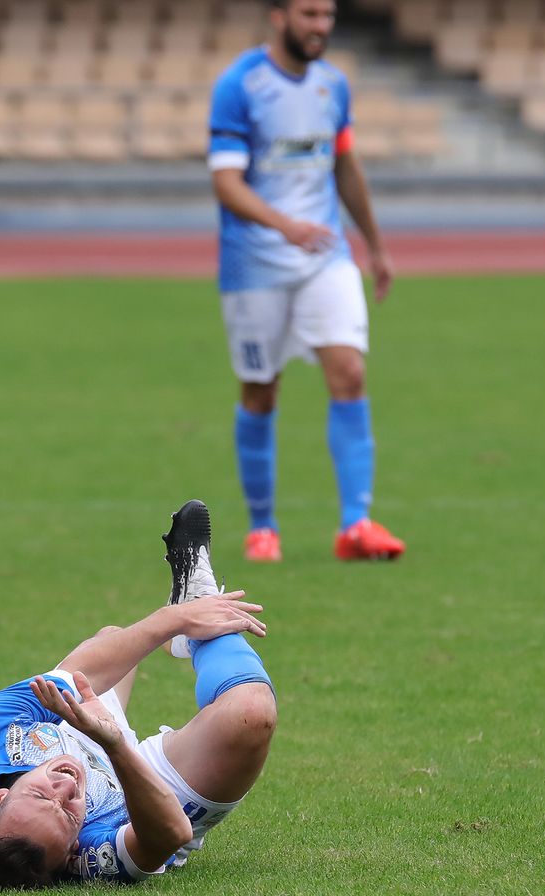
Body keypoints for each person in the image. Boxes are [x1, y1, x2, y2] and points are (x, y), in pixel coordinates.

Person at [0, 500, 277, 888]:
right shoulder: (87, 857)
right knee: (252, 715)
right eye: (69, 814)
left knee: (110, 643)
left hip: (76, 737)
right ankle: (201, 600)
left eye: (41, 796)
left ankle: (190, 606)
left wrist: (176, 619)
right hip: (135, 800)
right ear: (72, 848)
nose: (67, 786)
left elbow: (84, 670)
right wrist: (115, 744)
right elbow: (171, 832)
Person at [207, 0, 406, 562]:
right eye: (309, 14)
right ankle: (263, 527)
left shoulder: (333, 85)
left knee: (349, 369)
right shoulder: (239, 85)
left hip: (325, 256)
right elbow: (226, 182)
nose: (320, 25)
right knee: (260, 390)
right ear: (278, 16)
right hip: (255, 263)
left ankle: (356, 525)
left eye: (327, 15)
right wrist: (283, 225)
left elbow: (344, 165)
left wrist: (375, 243)